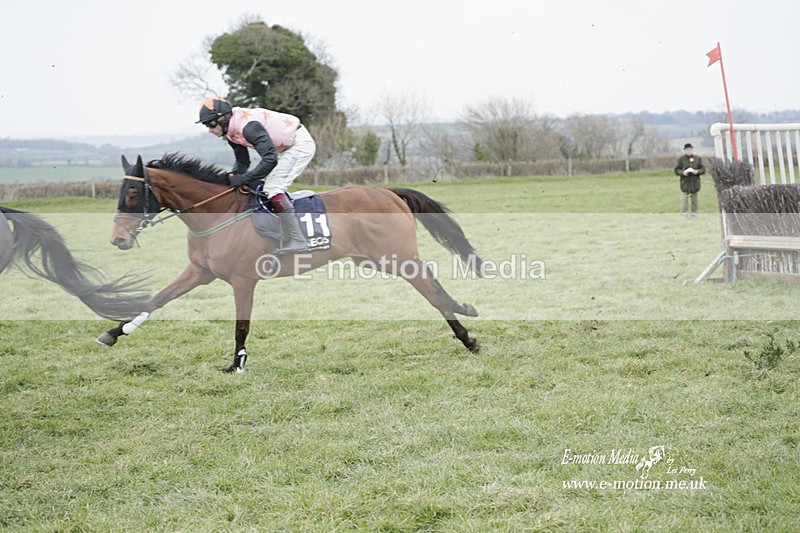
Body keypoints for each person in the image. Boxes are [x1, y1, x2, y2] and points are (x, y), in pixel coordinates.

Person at [197, 96, 315, 253]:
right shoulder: (232, 133)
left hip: (298, 145)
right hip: (283, 149)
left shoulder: (248, 127)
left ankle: (298, 239)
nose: (209, 130)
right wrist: (231, 178)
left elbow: (270, 160)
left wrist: (244, 178)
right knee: (262, 187)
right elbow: (243, 163)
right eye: (206, 125)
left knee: (272, 188)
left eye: (210, 124)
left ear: (223, 118)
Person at [673, 142, 705, 218]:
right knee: (684, 200)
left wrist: (697, 171)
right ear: (685, 150)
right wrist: (683, 173)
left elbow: (703, 169)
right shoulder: (681, 159)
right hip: (685, 183)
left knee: (694, 200)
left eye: (690, 149)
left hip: (695, 182)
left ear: (692, 149)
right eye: (687, 149)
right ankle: (684, 215)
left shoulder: (697, 158)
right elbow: (676, 170)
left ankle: (694, 215)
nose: (689, 151)